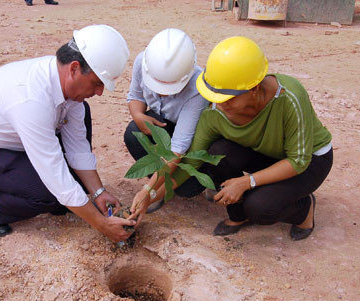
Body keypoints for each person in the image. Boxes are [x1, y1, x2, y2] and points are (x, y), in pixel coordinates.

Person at [129, 36, 333, 241]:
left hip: (309, 160)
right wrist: (150, 196)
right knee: (217, 152)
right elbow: (190, 163)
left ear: (253, 89)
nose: (218, 104)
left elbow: (298, 160)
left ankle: (303, 209)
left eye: (227, 99)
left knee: (260, 207)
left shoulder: (289, 98)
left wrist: (248, 181)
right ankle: (239, 215)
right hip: (268, 155)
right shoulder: (215, 113)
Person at [0, 25, 135, 242]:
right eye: (97, 83)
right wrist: (103, 225)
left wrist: (98, 193)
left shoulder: (65, 83)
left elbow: (77, 147)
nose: (100, 92)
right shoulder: (30, 98)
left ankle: (57, 197)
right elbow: (54, 174)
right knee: (49, 193)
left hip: (17, 142)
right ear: (74, 68)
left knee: (72, 176)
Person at [123, 28, 209, 211]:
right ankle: (158, 184)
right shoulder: (143, 62)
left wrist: (146, 192)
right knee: (133, 133)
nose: (161, 92)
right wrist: (138, 116)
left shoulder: (198, 87)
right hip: (164, 124)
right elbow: (135, 95)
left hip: (190, 137)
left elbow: (178, 147)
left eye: (169, 87)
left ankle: (160, 188)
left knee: (187, 189)